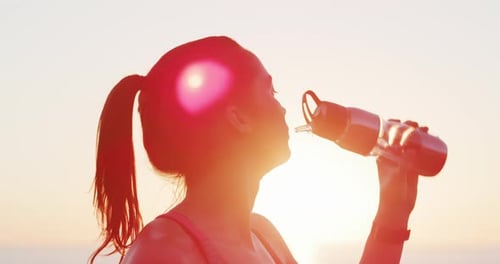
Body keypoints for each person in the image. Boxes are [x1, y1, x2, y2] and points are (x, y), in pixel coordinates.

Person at [90, 36, 421, 264]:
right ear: (238, 118)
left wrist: (394, 211)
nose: (282, 109)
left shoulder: (264, 235)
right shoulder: (164, 251)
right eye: (270, 90)